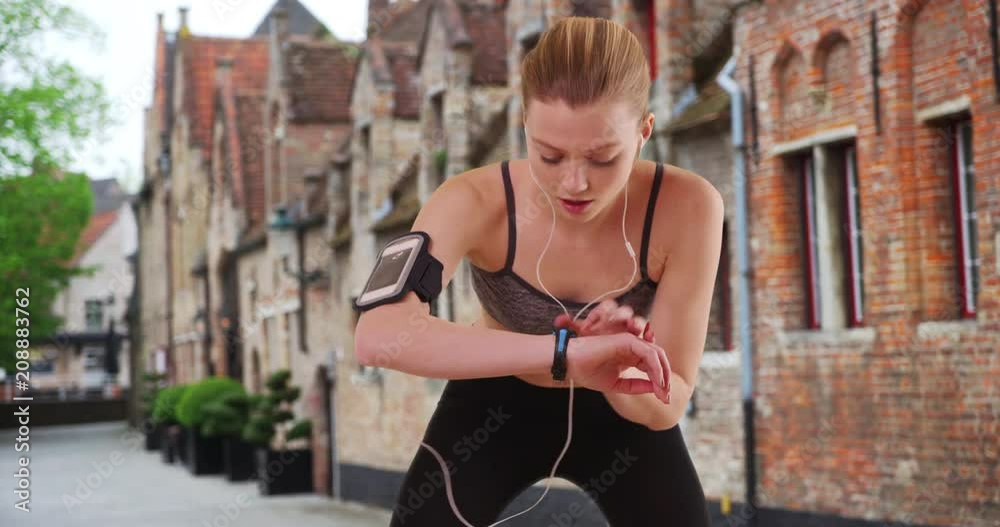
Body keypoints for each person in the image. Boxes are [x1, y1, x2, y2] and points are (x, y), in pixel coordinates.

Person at [354, 16, 723, 527]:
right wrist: (566, 355)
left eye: (602, 158)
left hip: (624, 415)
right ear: (525, 127)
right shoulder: (471, 199)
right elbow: (377, 335)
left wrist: (614, 372)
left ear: (644, 132)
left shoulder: (688, 206)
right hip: (492, 406)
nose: (574, 183)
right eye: (549, 156)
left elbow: (670, 403)